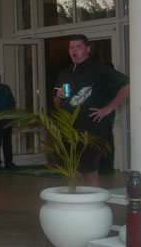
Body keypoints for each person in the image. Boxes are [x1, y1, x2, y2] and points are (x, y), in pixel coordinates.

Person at [54, 34, 130, 187]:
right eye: (71, 47)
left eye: (78, 47)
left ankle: (93, 204)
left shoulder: (99, 69)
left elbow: (126, 85)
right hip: (68, 130)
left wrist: (107, 109)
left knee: (89, 172)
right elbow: (57, 104)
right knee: (72, 171)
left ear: (87, 49)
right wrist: (58, 96)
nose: (74, 50)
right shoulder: (65, 73)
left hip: (90, 130)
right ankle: (78, 205)